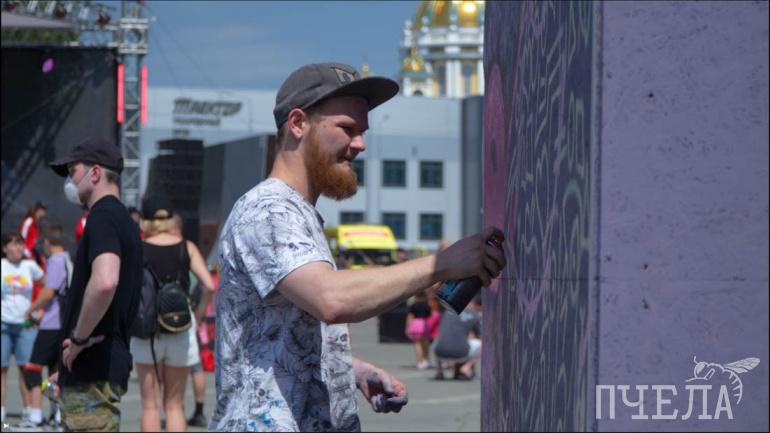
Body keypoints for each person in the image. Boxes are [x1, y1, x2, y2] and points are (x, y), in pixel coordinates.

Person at [211, 62, 506, 431]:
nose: (360, 144)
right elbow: (330, 298)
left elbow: (277, 336)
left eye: (362, 132)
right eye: (347, 129)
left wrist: (350, 370)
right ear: (298, 123)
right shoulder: (269, 210)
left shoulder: (298, 214)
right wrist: (441, 264)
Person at [46, 136, 144, 432]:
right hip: (98, 366)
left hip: (93, 366)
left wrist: (77, 341)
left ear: (96, 173)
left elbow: (105, 281)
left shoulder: (102, 216)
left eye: (72, 171)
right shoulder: (123, 220)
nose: (70, 181)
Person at [131, 196, 214, 432]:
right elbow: (209, 285)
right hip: (180, 328)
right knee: (174, 405)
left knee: (150, 406)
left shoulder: (138, 248)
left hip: (147, 329)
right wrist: (198, 315)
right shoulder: (186, 247)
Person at [22, 225, 72, 428]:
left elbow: (48, 292)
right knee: (55, 371)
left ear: (48, 243)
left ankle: (35, 416)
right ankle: (58, 414)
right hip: (62, 323)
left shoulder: (56, 261)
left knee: (32, 368)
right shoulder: (68, 259)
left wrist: (31, 309)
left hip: (52, 325)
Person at [1, 232, 44, 425]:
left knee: (26, 368)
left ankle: (28, 409)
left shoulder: (30, 266)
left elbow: (48, 286)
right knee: (2, 369)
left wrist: (40, 309)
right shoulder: (2, 265)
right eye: (14, 244)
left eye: (20, 244)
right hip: (3, 323)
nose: (18, 248)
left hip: (25, 325)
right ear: (5, 248)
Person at [431, 294, 482, 381]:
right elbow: (480, 336)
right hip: (461, 353)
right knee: (482, 344)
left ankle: (440, 370)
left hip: (440, 351)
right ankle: (466, 367)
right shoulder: (474, 315)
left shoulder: (447, 311)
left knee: (439, 339)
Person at [404, 292, 432, 370]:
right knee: (425, 344)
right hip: (424, 324)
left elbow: (410, 317)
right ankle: (425, 361)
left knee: (417, 344)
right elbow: (429, 316)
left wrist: (407, 327)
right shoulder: (427, 305)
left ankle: (420, 362)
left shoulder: (413, 305)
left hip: (415, 324)